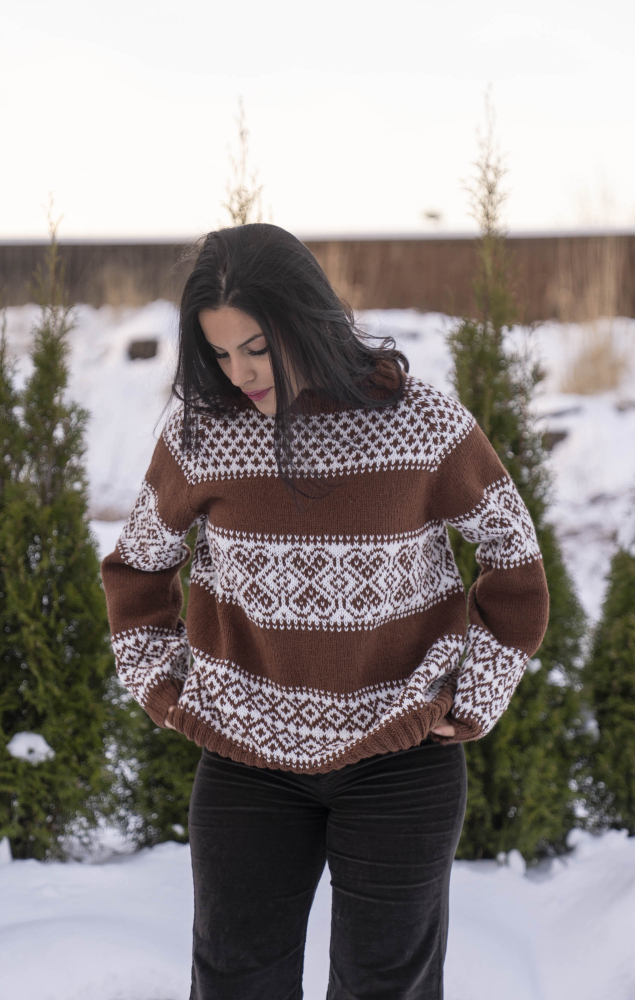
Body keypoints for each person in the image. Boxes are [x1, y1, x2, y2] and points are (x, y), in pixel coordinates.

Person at [101, 223, 549, 1000]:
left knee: (385, 987)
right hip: (245, 762)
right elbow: (138, 564)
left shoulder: (422, 422)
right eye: (219, 353)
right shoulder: (201, 435)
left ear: (306, 321)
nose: (240, 372)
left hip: (401, 759)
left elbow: (512, 552)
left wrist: (476, 688)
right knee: (235, 984)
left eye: (256, 347)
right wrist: (161, 685)